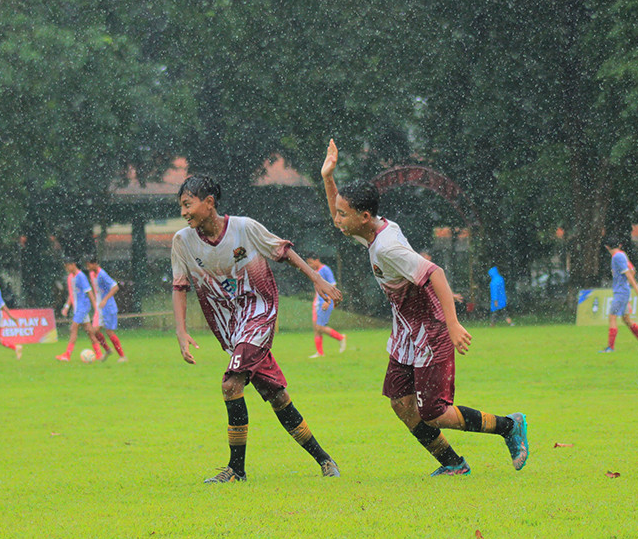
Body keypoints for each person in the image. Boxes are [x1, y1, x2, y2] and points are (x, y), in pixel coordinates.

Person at [321, 139, 528, 476]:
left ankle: (508, 426)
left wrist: (452, 323)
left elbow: (436, 273)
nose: (337, 219)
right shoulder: (370, 230)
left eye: (344, 214)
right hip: (406, 331)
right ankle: (453, 464)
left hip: (431, 330)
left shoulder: (387, 247)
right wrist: (328, 177)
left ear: (364, 216)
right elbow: (340, 215)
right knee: (401, 402)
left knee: (434, 411)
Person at [171, 174, 343, 483]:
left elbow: (282, 251)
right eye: (181, 206)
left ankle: (236, 470)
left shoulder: (243, 228)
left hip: (259, 314)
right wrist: (181, 331)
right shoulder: (182, 242)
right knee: (278, 397)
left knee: (230, 385)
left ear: (209, 203)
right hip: (232, 329)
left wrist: (315, 278)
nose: (184, 212)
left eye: (188, 204)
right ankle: (325, 460)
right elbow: (180, 286)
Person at [601, 237, 638, 352]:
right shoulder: (622, 255)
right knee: (626, 319)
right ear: (619, 245)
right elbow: (632, 270)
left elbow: (628, 273)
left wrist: (637, 289)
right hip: (623, 291)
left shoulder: (617, 257)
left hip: (621, 293)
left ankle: (610, 347)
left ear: (607, 247)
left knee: (612, 317)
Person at [56, 258, 104, 362]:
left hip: (83, 307)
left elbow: (89, 292)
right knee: (90, 331)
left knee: (73, 328)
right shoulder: (71, 277)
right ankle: (99, 354)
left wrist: (96, 308)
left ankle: (67, 355)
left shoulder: (81, 276)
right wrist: (66, 307)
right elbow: (72, 294)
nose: (66, 268)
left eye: (67, 266)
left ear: (73, 264)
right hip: (78, 308)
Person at [85, 256, 127, 361]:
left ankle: (123, 356)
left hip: (108, 307)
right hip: (99, 308)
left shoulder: (102, 274)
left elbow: (115, 287)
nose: (87, 267)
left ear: (94, 264)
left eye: (89, 265)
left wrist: (105, 299)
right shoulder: (91, 274)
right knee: (94, 331)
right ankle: (108, 350)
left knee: (109, 332)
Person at [305, 256, 346, 358]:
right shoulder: (316, 271)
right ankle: (320, 353)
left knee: (320, 327)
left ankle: (340, 337)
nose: (310, 265)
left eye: (311, 262)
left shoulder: (325, 269)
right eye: (308, 264)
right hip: (317, 303)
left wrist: (328, 300)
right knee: (316, 328)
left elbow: (333, 285)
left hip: (325, 302)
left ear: (317, 260)